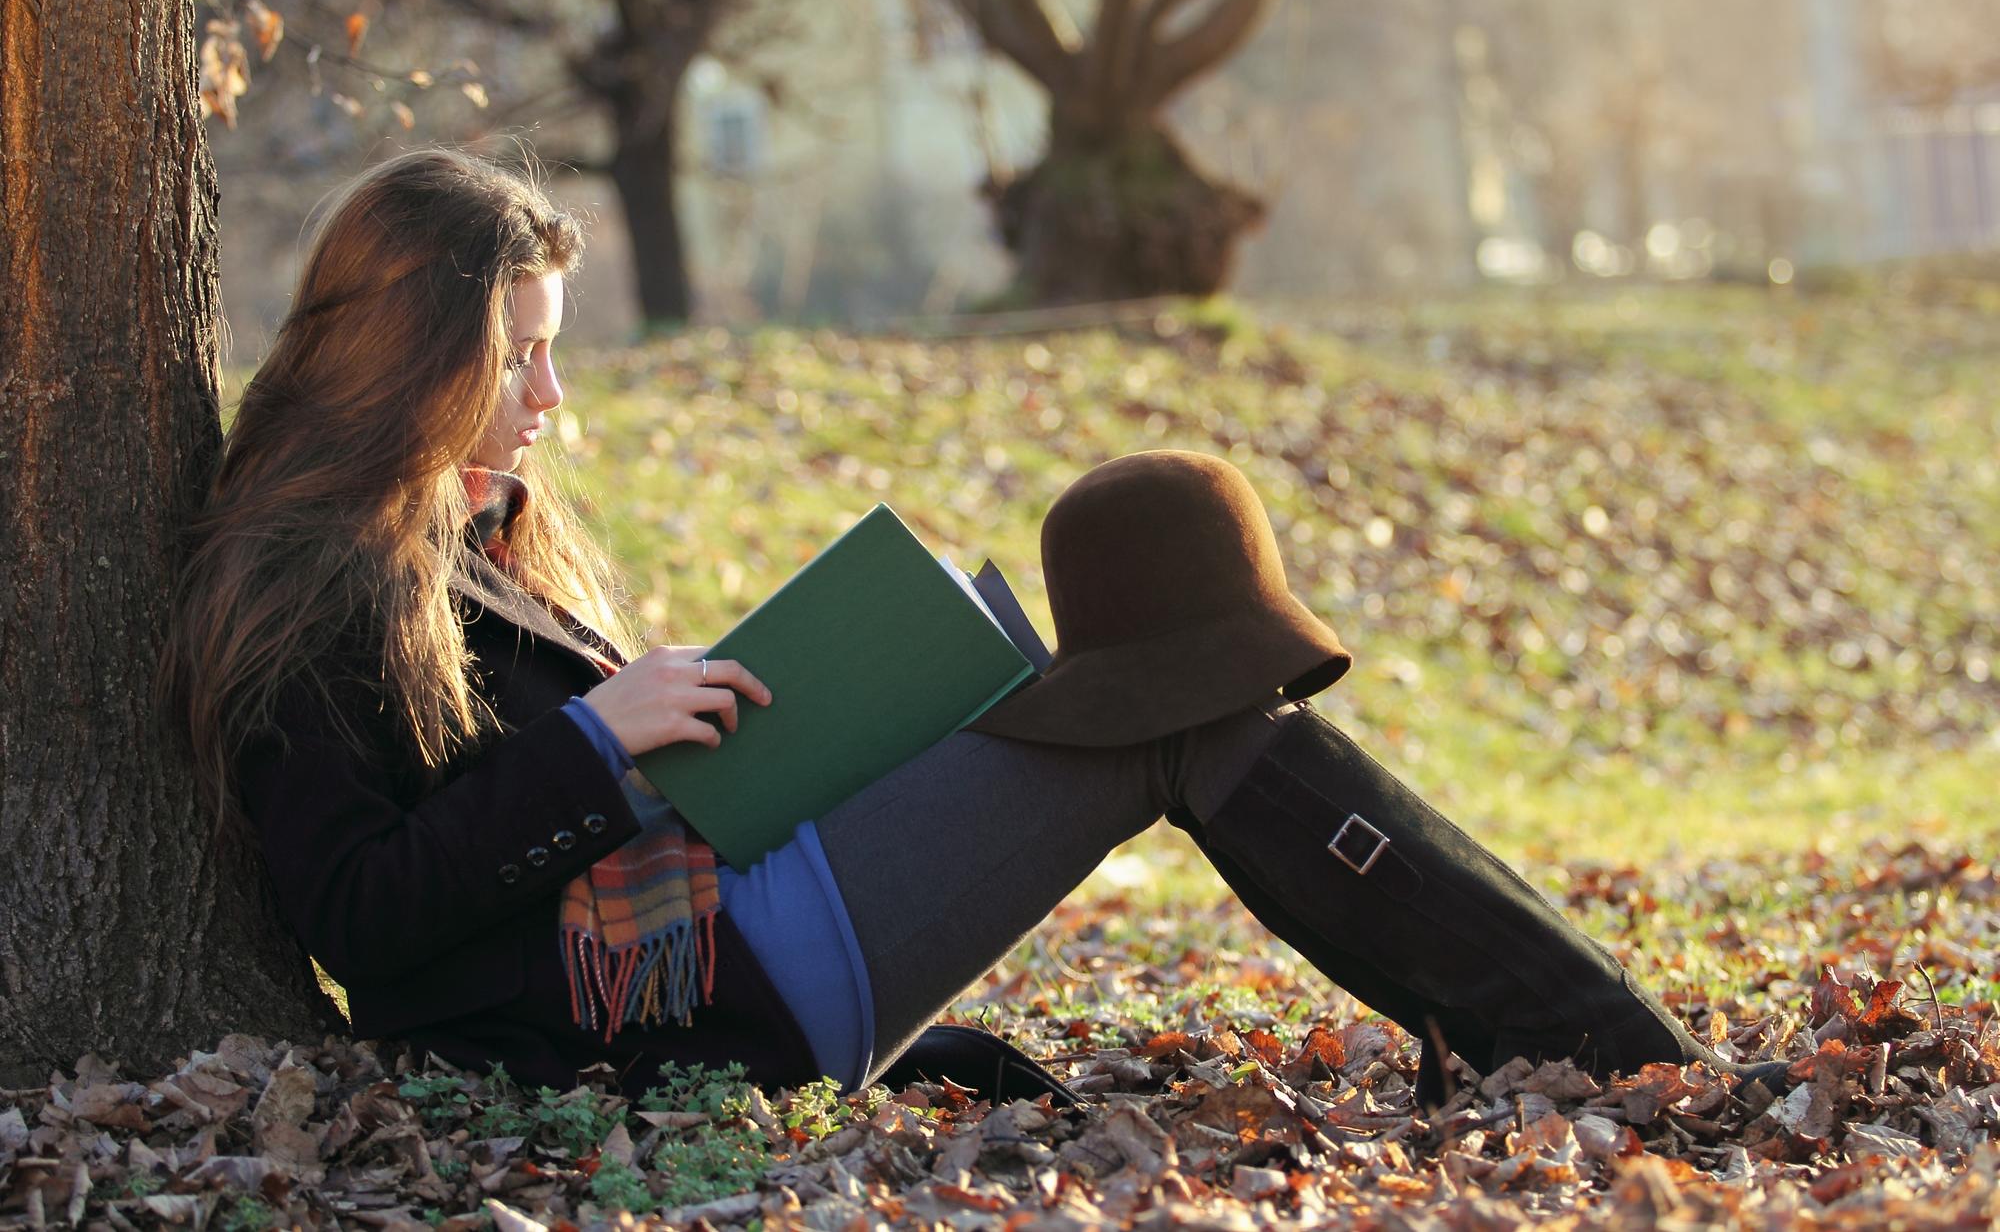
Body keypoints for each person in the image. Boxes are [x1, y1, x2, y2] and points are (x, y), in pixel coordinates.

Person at [164, 148, 1758, 1107]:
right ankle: (1604, 1046)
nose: (553, 399)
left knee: (1151, 609)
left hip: (742, 914)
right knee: (1186, 717)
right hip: (696, 998)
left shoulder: (477, 536)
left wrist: (732, 708)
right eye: (520, 360)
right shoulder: (310, 585)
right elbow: (361, 923)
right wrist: (600, 740)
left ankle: (1552, 1027)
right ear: (415, 353)